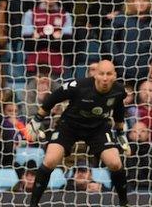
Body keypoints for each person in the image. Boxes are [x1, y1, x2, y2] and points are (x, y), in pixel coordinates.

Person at [26, 60, 130, 207]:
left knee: (115, 163)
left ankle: (124, 203)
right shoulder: (79, 86)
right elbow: (54, 97)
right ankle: (33, 204)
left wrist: (120, 132)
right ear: (95, 75)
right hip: (69, 126)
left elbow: (118, 109)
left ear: (114, 75)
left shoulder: (119, 90)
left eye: (109, 74)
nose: (105, 78)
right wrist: (37, 119)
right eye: (101, 74)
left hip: (97, 128)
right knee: (49, 161)